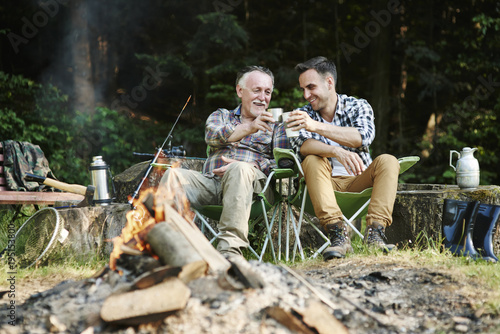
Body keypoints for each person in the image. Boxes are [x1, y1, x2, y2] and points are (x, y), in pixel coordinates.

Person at [158, 65, 288, 257]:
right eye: (257, 90)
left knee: (240, 170)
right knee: (172, 175)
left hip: (254, 189)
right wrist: (249, 127)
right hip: (212, 183)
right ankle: (170, 249)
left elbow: (284, 163)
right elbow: (212, 136)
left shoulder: (277, 126)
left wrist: (254, 166)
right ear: (239, 91)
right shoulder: (221, 115)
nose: (263, 97)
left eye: (267, 92)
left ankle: (230, 251)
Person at [285, 56, 400, 261]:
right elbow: (302, 146)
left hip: (359, 182)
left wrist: (315, 126)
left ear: (329, 82)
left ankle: (375, 234)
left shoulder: (358, 106)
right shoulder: (301, 114)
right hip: (322, 184)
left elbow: (361, 137)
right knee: (311, 158)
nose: (306, 95)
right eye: (303, 89)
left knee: (389, 161)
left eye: (310, 87)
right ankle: (338, 235)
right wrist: (337, 151)